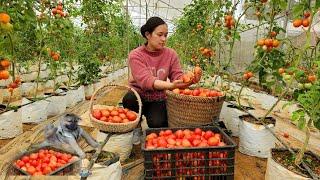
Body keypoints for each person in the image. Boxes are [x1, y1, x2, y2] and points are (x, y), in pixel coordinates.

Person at [122, 16, 201, 128]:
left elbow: (176, 75)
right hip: (138, 95)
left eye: (165, 35)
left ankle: (151, 118)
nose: (164, 39)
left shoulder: (171, 54)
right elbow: (146, 80)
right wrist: (171, 85)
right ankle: (136, 125)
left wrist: (189, 80)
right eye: (160, 35)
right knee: (129, 99)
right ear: (148, 35)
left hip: (158, 97)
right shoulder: (136, 55)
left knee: (158, 124)